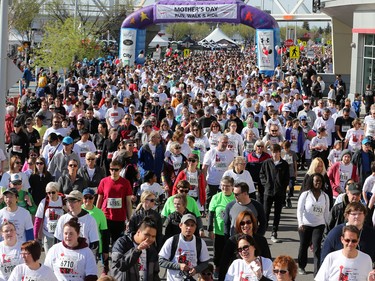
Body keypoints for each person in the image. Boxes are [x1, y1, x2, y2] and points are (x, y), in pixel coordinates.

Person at [219, 210, 271, 281]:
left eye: (248, 222)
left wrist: (260, 276)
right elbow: (224, 265)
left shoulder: (261, 240)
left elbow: (268, 261)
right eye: (242, 223)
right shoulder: (232, 241)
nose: (245, 225)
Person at [159, 214, 210, 281]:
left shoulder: (200, 242)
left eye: (192, 225)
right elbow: (161, 261)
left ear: (195, 227)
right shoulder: (172, 241)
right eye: (187, 224)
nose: (189, 228)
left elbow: (205, 262)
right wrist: (178, 266)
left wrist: (196, 269)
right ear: (180, 225)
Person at [297, 173, 330, 276]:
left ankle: (317, 272)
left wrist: (326, 225)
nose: (318, 183)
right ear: (312, 182)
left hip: (319, 225)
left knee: (316, 248)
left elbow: (326, 212)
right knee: (304, 246)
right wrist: (300, 223)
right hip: (305, 225)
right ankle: (301, 266)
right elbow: (299, 209)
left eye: (320, 181)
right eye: (316, 181)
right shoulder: (305, 194)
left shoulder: (325, 196)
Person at [111, 216, 160, 281]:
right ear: (138, 232)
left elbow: (155, 273)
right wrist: (137, 250)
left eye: (153, 236)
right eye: (147, 235)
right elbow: (120, 265)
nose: (150, 239)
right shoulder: (122, 243)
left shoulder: (151, 249)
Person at [97, 159, 133, 245]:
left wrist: (129, 219)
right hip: (105, 216)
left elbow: (128, 202)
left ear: (120, 170)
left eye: (116, 169)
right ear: (109, 170)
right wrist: (96, 215)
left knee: (117, 244)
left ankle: (116, 259)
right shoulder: (104, 181)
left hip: (119, 218)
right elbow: (99, 199)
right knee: (104, 243)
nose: (114, 172)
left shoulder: (125, 183)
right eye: (112, 169)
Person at [260, 143, 289, 243]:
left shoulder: (284, 164)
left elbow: (286, 178)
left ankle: (274, 232)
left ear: (280, 152)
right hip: (268, 192)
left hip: (279, 193)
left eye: (277, 152)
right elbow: (262, 174)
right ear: (270, 152)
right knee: (265, 213)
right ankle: (262, 231)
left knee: (277, 213)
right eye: (273, 152)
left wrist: (282, 187)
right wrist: (266, 184)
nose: (275, 154)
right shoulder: (266, 162)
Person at [208, 176, 235, 276]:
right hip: (219, 230)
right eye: (223, 186)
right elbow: (211, 214)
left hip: (232, 231)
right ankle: (217, 268)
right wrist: (210, 229)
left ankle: (230, 269)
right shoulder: (216, 197)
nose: (224, 188)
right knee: (218, 251)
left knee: (230, 251)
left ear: (232, 187)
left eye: (227, 186)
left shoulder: (235, 198)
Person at [81, 188, 110, 276]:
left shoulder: (99, 213)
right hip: (80, 245)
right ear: (82, 198)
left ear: (94, 198)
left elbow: (105, 233)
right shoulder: (78, 210)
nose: (88, 200)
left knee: (91, 272)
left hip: (95, 247)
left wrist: (105, 251)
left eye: (90, 198)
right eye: (85, 197)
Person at [202, 135, 234, 210]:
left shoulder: (230, 154)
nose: (225, 144)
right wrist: (204, 179)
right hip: (212, 181)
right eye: (223, 142)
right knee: (210, 199)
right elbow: (204, 167)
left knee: (223, 200)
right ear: (218, 142)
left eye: (226, 142)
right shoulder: (211, 152)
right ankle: (208, 213)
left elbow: (231, 168)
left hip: (224, 182)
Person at [34, 182, 66, 252]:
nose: (51, 195)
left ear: (57, 191)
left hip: (61, 235)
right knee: (48, 257)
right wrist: (35, 236)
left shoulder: (64, 200)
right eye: (48, 193)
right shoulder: (44, 202)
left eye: (53, 192)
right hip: (47, 234)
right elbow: (38, 219)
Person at [246, 140, 271, 205]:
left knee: (261, 195)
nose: (260, 148)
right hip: (252, 178)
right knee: (251, 194)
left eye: (262, 146)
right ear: (255, 147)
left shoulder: (267, 156)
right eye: (258, 146)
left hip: (262, 178)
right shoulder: (250, 155)